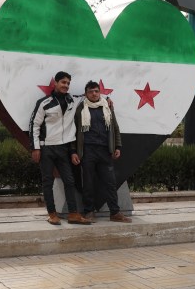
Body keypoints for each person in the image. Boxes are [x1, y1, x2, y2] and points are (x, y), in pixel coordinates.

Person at [30, 71, 91, 225]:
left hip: (63, 149)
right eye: (63, 82)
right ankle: (52, 214)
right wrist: (35, 148)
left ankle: (73, 214)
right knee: (47, 182)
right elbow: (34, 125)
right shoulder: (44, 103)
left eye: (68, 83)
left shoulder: (73, 100)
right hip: (47, 149)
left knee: (70, 181)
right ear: (55, 83)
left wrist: (107, 99)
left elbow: (90, 96)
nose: (66, 85)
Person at [72, 81, 132, 223]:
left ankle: (115, 213)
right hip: (87, 151)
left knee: (110, 183)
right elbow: (74, 132)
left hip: (105, 151)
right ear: (86, 94)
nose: (94, 94)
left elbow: (115, 127)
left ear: (100, 92)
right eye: (91, 91)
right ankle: (89, 212)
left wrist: (117, 146)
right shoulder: (80, 108)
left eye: (96, 91)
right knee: (88, 183)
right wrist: (74, 150)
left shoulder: (107, 106)